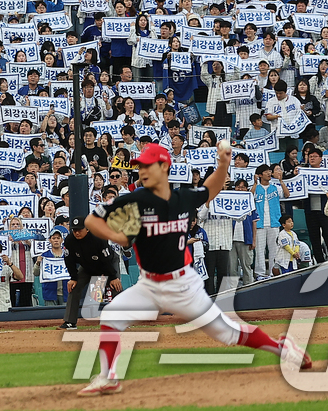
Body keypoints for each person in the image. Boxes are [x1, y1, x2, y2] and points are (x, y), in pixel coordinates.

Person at [79, 143, 311, 396]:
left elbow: (212, 188)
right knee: (111, 316)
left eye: (148, 165)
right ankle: (108, 377)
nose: (142, 171)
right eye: (140, 167)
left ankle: (283, 349)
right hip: (148, 285)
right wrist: (118, 236)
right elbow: (91, 220)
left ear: (164, 167)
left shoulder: (183, 197)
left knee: (227, 334)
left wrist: (223, 164)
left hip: (183, 286)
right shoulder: (135, 200)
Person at [60, 217, 122, 329]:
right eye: (74, 230)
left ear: (87, 229)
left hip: (108, 263)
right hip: (87, 266)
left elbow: (106, 260)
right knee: (74, 287)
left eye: (79, 230)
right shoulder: (70, 240)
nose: (76, 233)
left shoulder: (98, 237)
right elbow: (69, 260)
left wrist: (112, 276)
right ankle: (70, 322)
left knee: (115, 286)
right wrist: (73, 278)